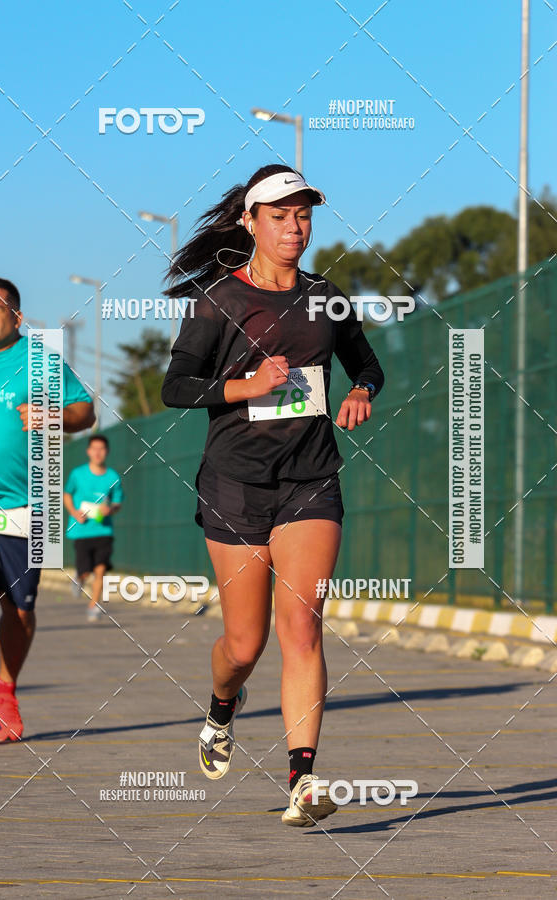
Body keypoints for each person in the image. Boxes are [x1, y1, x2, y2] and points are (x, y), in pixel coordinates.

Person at [161, 164, 384, 826]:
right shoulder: (219, 300)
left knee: (302, 626)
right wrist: (246, 387)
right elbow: (177, 387)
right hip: (234, 485)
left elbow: (366, 362)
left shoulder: (326, 296)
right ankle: (222, 705)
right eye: (281, 215)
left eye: (304, 215)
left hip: (310, 478)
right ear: (250, 222)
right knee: (243, 644)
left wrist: (360, 391)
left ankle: (303, 780)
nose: (295, 226)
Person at [0, 277, 95, 742]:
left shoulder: (39, 361)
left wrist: (53, 414)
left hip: (35, 500)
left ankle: (6, 689)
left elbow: (85, 412)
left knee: (18, 608)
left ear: (17, 317)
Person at [63, 434, 123, 622]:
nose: (98, 453)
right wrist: (74, 512)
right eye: (94, 449)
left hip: (103, 531)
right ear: (88, 451)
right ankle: (80, 577)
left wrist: (111, 509)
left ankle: (93, 605)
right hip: (82, 531)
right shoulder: (77, 474)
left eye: (102, 449)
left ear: (107, 452)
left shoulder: (113, 476)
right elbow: (66, 494)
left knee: (100, 569)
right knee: (86, 571)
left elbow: (117, 502)